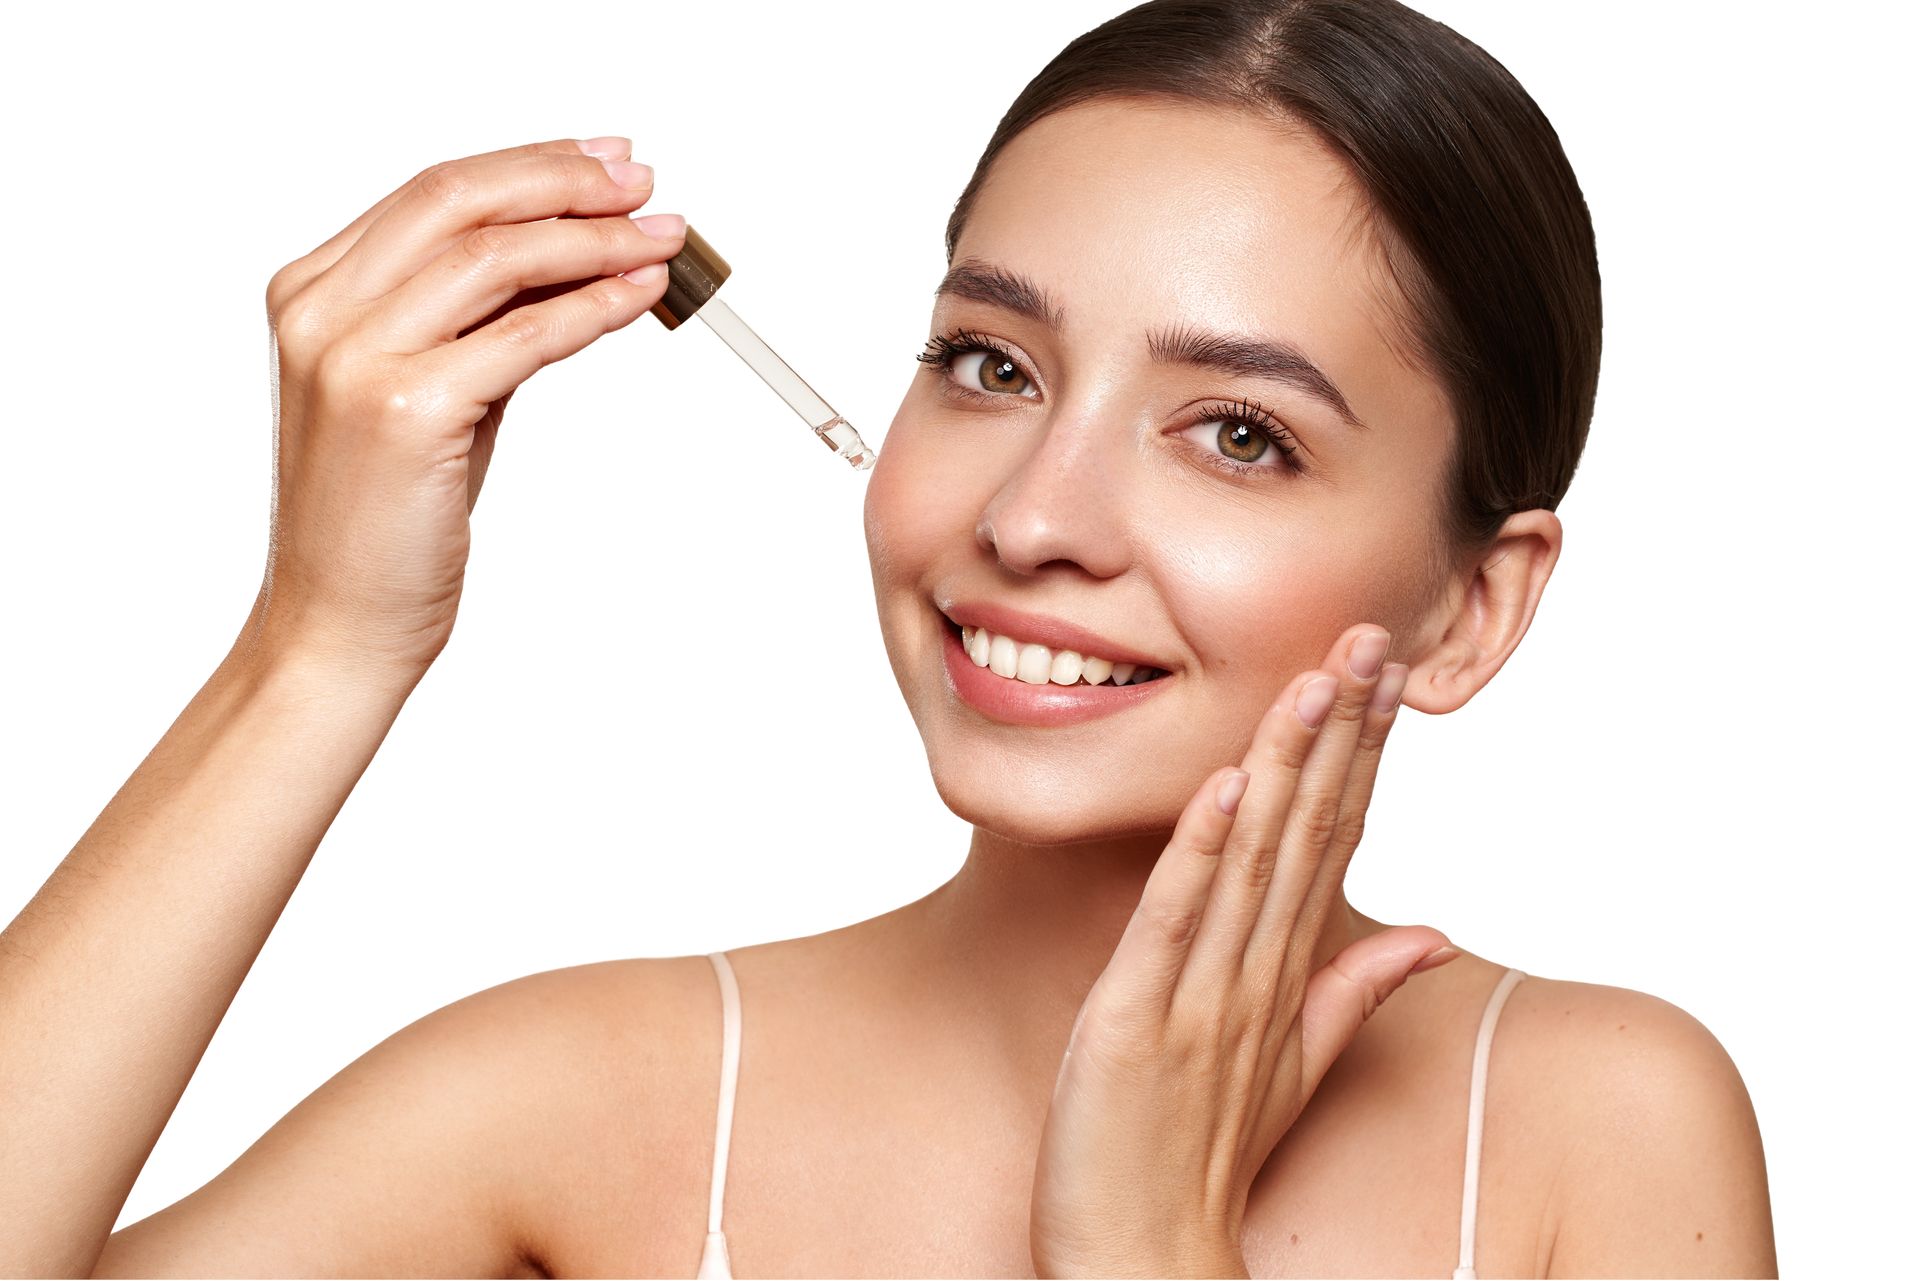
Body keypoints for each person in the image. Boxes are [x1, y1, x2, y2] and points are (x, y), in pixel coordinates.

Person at [1, 0, 1777, 1276]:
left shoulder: (1594, 1131)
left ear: (1474, 606)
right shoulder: (574, 1097)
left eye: (1240, 430)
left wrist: (1148, 1254)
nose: (1029, 516)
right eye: (989, 366)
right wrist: (318, 644)